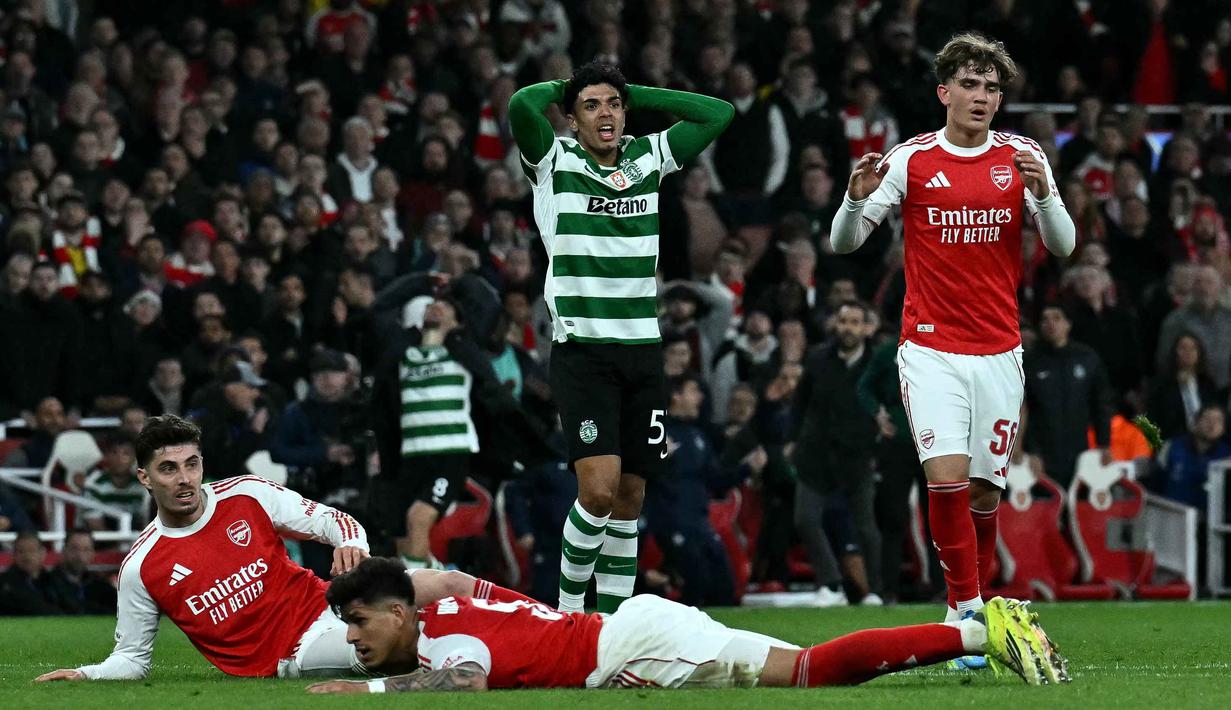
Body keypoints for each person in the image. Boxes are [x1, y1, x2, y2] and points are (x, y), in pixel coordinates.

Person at [828, 32, 1076, 658]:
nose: (982, 97)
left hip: (999, 350)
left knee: (984, 494)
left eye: (993, 88)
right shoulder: (911, 160)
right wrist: (853, 200)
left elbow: (1064, 245)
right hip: (931, 348)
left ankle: (966, 607)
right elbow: (846, 242)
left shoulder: (1022, 155)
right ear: (943, 92)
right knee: (945, 480)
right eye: (969, 84)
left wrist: (1044, 192)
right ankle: (968, 610)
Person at [508, 61, 733, 613]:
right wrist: (565, 89)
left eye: (613, 103)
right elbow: (521, 105)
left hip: (642, 354)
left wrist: (633, 92)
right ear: (572, 118)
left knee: (631, 497)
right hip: (583, 353)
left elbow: (718, 114)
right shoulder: (552, 160)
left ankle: (611, 625)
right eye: (591, 106)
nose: (605, 113)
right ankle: (566, 617)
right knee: (598, 491)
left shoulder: (647, 157)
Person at [305, 557, 1069, 694]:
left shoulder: (445, 640)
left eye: (358, 621)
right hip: (630, 631)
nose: (353, 638)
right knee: (809, 665)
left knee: (812, 672)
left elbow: (463, 682)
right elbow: (448, 577)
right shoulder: (442, 603)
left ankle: (979, 633)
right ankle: (979, 631)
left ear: (400, 614)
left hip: (636, 642)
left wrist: (372, 693)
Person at [33, 414, 370, 681]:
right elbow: (132, 659)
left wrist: (351, 543)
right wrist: (86, 674)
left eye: (191, 464)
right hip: (296, 651)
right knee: (378, 648)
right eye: (168, 468)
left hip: (329, 604)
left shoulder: (247, 494)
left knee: (419, 588)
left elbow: (332, 520)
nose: (184, 478)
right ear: (144, 477)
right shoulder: (142, 567)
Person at [1024, 305, 1114, 488]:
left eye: (1056, 318)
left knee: (1078, 509)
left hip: (1079, 452)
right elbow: (1023, 410)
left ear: (1068, 324)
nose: (1050, 324)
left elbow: (1101, 404)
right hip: (1042, 456)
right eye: (1045, 319)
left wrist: (1104, 443)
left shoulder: (1087, 358)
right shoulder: (1031, 362)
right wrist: (1031, 450)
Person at [81, 431, 149, 532]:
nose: (119, 459)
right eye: (114, 452)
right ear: (106, 456)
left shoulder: (142, 484)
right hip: (103, 543)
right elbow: (94, 524)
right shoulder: (94, 483)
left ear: (134, 458)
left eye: (126, 453)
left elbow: (146, 522)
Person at [43, 529, 118, 614]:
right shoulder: (47, 584)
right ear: (64, 550)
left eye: (86, 549)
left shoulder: (99, 585)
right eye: (74, 549)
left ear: (92, 553)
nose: (80, 555)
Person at [0, 530, 62, 615]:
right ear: (13, 555)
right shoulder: (4, 584)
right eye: (21, 551)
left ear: (42, 553)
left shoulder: (55, 580)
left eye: (32, 551)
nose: (27, 556)